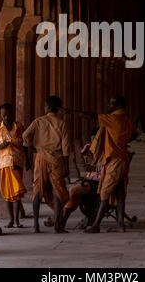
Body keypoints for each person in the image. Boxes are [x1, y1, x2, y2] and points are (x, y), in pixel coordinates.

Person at [69, 95, 138, 233]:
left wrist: (73, 112)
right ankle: (120, 226)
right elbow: (135, 134)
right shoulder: (125, 120)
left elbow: (92, 116)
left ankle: (96, 225)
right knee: (119, 194)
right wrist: (121, 142)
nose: (108, 106)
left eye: (111, 104)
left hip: (114, 161)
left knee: (104, 194)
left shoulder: (114, 119)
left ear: (118, 106)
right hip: (122, 159)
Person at [23, 96, 70, 234]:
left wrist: (32, 151)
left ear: (48, 107)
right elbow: (66, 148)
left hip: (41, 158)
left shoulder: (38, 121)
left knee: (37, 190)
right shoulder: (62, 123)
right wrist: (66, 166)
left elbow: (25, 137)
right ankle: (57, 225)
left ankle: (36, 226)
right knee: (57, 191)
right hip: (57, 160)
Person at [0, 103, 27, 228]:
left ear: (12, 113)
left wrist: (28, 160)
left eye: (8, 114)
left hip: (17, 162)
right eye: (3, 114)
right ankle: (11, 220)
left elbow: (25, 144)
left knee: (16, 192)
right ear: (0, 114)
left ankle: (17, 220)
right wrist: (2, 145)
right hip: (5, 163)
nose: (6, 117)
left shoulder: (19, 126)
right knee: (7, 193)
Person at [62, 129, 103, 228]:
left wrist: (90, 176)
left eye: (95, 140)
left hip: (99, 183)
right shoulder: (98, 152)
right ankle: (61, 218)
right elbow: (94, 166)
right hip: (94, 180)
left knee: (73, 191)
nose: (93, 143)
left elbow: (102, 173)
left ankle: (62, 220)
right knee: (72, 193)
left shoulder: (106, 151)